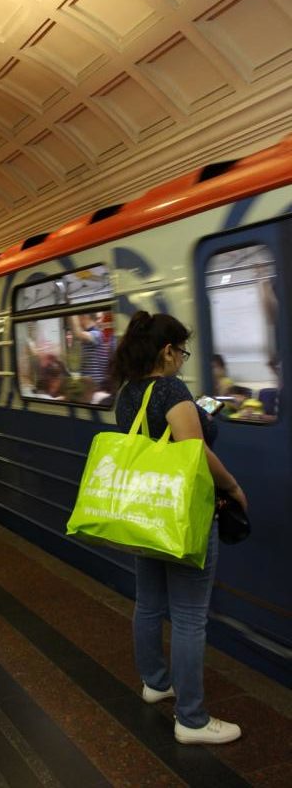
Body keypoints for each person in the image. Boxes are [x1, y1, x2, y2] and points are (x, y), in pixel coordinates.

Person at [112, 311, 248, 745]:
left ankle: (155, 682)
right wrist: (233, 486)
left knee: (149, 604)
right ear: (167, 351)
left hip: (145, 515)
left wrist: (199, 409)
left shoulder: (127, 393)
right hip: (182, 512)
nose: (183, 360)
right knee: (190, 617)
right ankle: (191, 720)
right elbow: (193, 449)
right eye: (182, 352)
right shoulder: (170, 388)